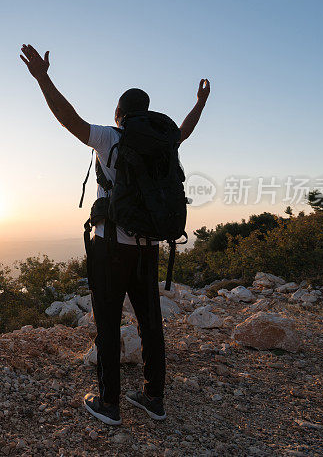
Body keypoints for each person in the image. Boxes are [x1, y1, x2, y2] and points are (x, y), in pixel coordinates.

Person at [20, 44, 210, 426]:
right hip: (150, 247)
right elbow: (185, 130)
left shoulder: (112, 138)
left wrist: (43, 78)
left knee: (107, 325)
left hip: (111, 249)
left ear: (120, 114)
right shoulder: (164, 142)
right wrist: (200, 103)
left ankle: (110, 404)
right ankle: (154, 398)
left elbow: (69, 119)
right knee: (150, 323)